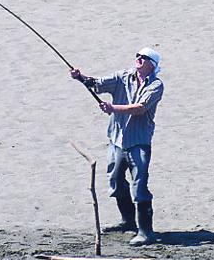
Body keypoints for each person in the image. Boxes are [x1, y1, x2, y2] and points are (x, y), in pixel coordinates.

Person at [70, 47, 165, 246]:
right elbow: (97, 84)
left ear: (152, 64)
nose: (138, 58)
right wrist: (81, 78)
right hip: (117, 141)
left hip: (139, 142)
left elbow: (140, 108)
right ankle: (128, 221)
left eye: (144, 57)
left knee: (140, 186)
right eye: (138, 55)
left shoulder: (156, 85)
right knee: (115, 180)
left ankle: (146, 232)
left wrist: (113, 108)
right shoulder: (122, 77)